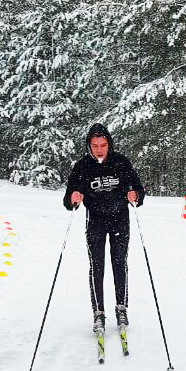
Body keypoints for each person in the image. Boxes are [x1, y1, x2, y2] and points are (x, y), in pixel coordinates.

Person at [63, 123, 145, 333]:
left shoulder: (121, 163)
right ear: (89, 146)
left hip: (120, 220)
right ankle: (98, 312)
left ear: (109, 144)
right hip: (96, 222)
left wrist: (135, 195)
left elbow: (138, 190)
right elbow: (68, 199)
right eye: (95, 145)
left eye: (103, 145)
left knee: (119, 265)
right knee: (96, 267)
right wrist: (73, 198)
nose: (99, 149)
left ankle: (121, 308)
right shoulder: (82, 167)